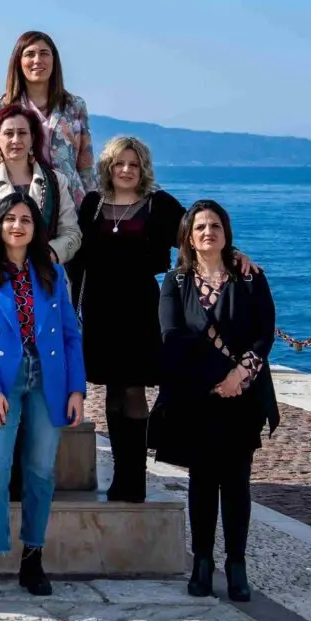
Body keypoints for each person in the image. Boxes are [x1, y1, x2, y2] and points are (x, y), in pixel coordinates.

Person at [0, 194, 86, 604]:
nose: (18, 226)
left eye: (26, 219)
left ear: (36, 228)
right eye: (10, 218)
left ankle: (33, 556)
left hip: (48, 379)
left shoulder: (51, 271)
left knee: (41, 471)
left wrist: (77, 389)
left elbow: (70, 334)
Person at [151, 200, 279, 603]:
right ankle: (202, 563)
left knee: (237, 483)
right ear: (189, 236)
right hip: (197, 397)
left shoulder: (250, 278)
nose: (209, 233)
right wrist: (215, 380)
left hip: (243, 396)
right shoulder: (175, 282)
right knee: (202, 482)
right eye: (201, 227)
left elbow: (264, 332)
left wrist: (240, 375)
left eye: (216, 226)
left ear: (226, 234)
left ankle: (236, 564)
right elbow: (171, 336)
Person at [70, 136, 185, 503]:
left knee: (134, 390)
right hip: (100, 310)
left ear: (143, 170)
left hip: (139, 310)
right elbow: (75, 260)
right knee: (112, 390)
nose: (126, 170)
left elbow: (197, 234)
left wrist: (232, 256)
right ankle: (120, 475)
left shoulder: (158, 204)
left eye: (133, 165)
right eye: (120, 163)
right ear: (108, 166)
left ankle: (135, 479)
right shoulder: (92, 204)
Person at [0, 104, 82, 264]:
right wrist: (1, 257)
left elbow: (71, 232)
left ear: (33, 138)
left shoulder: (57, 181)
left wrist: (47, 255)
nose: (16, 140)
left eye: (22, 133)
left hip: (45, 274)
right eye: (9, 133)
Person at [0, 31, 92, 209]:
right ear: (18, 61)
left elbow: (85, 163)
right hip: (17, 202)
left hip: (69, 202)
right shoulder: (0, 106)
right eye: (29, 54)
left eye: (44, 53)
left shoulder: (74, 106)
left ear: (54, 61)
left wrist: (94, 206)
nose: (37, 60)